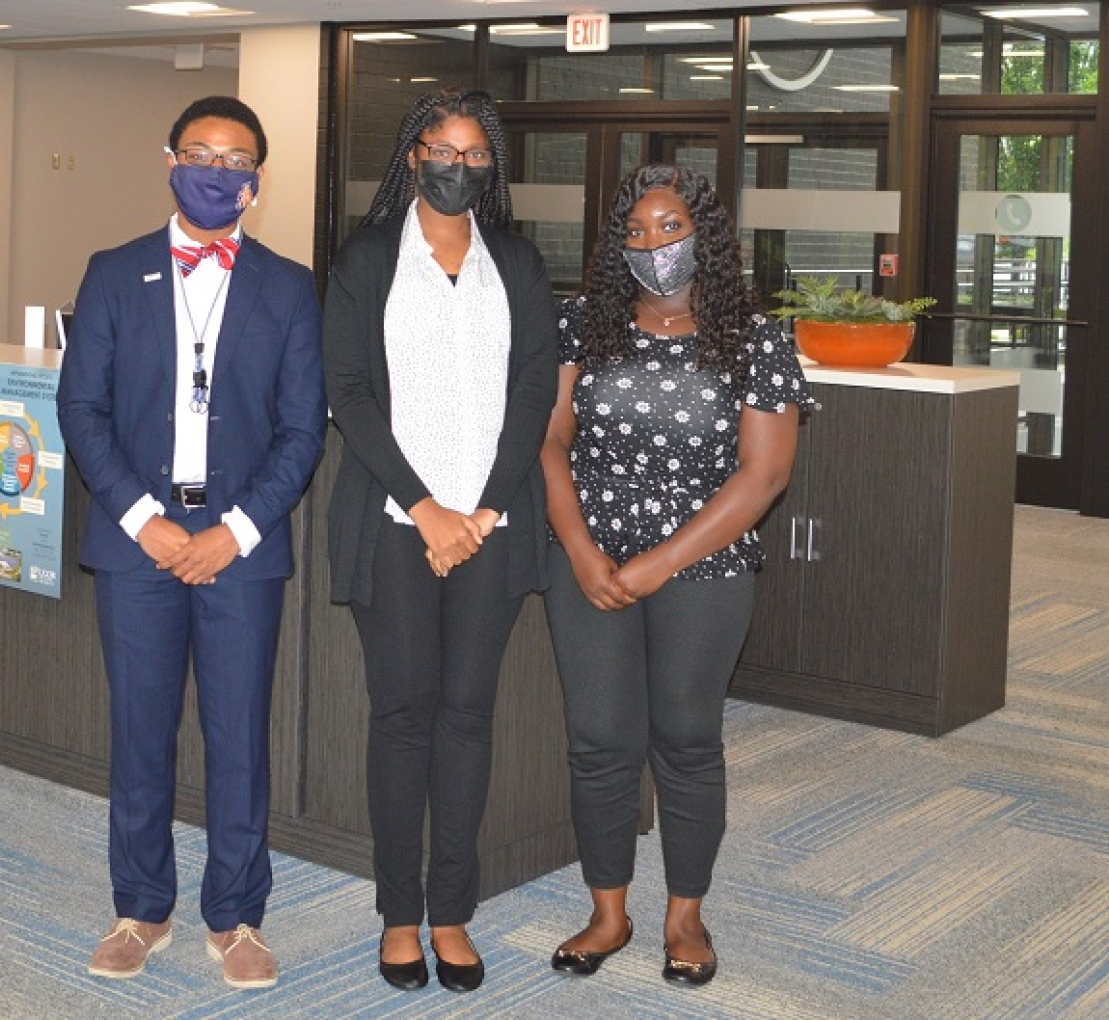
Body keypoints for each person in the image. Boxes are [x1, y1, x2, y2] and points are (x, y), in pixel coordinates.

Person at [57, 96, 327, 990]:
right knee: (140, 732)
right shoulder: (113, 271)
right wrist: (150, 520)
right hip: (139, 537)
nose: (218, 170)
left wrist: (235, 531)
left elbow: (302, 430)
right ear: (168, 160)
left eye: (236, 158)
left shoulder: (289, 287)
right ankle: (140, 909)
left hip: (241, 543)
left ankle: (237, 915)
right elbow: (81, 411)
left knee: (237, 734)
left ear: (257, 178)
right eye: (200, 153)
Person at [540, 164, 807, 986]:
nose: (652, 246)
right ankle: (608, 911)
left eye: (668, 228)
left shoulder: (756, 338)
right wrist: (584, 549)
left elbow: (761, 478)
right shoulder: (583, 323)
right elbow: (548, 443)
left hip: (703, 566)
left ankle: (685, 915)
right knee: (599, 743)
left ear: (706, 238)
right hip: (587, 561)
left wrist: (660, 561)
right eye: (634, 233)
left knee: (687, 742)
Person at [322, 89, 556, 993]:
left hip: (491, 532)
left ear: (491, 167)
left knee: (467, 718)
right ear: (412, 155)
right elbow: (349, 392)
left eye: (475, 154)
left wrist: (485, 510)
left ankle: (451, 914)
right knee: (403, 716)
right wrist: (426, 508)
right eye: (442, 149)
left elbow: (533, 392)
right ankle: (396, 917)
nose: (458, 166)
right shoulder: (369, 258)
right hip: (396, 528)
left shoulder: (519, 266)